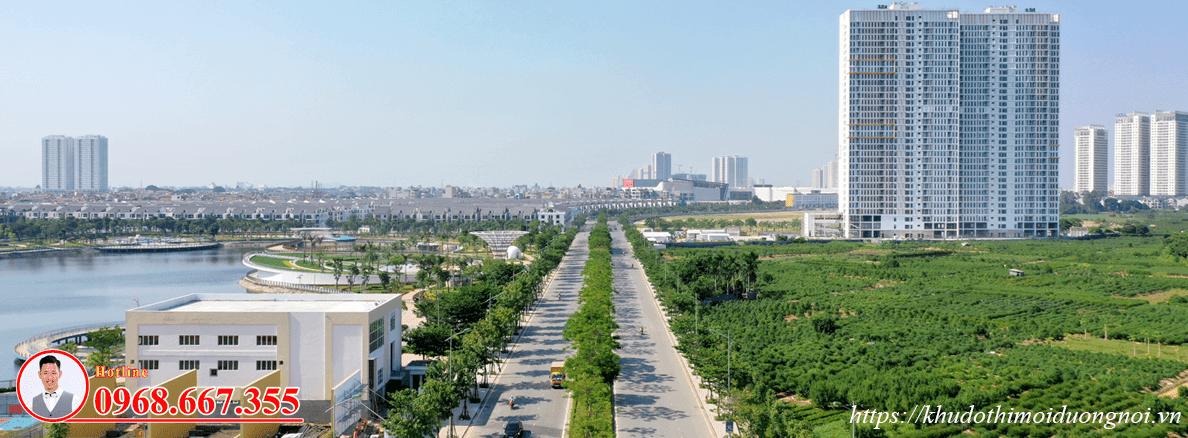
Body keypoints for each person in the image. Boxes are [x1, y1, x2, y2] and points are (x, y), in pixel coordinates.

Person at [30, 355, 76, 419]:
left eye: (53, 373)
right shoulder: (32, 402)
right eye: (45, 373)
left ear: (60, 374)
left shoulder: (73, 399)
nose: (49, 377)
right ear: (40, 375)